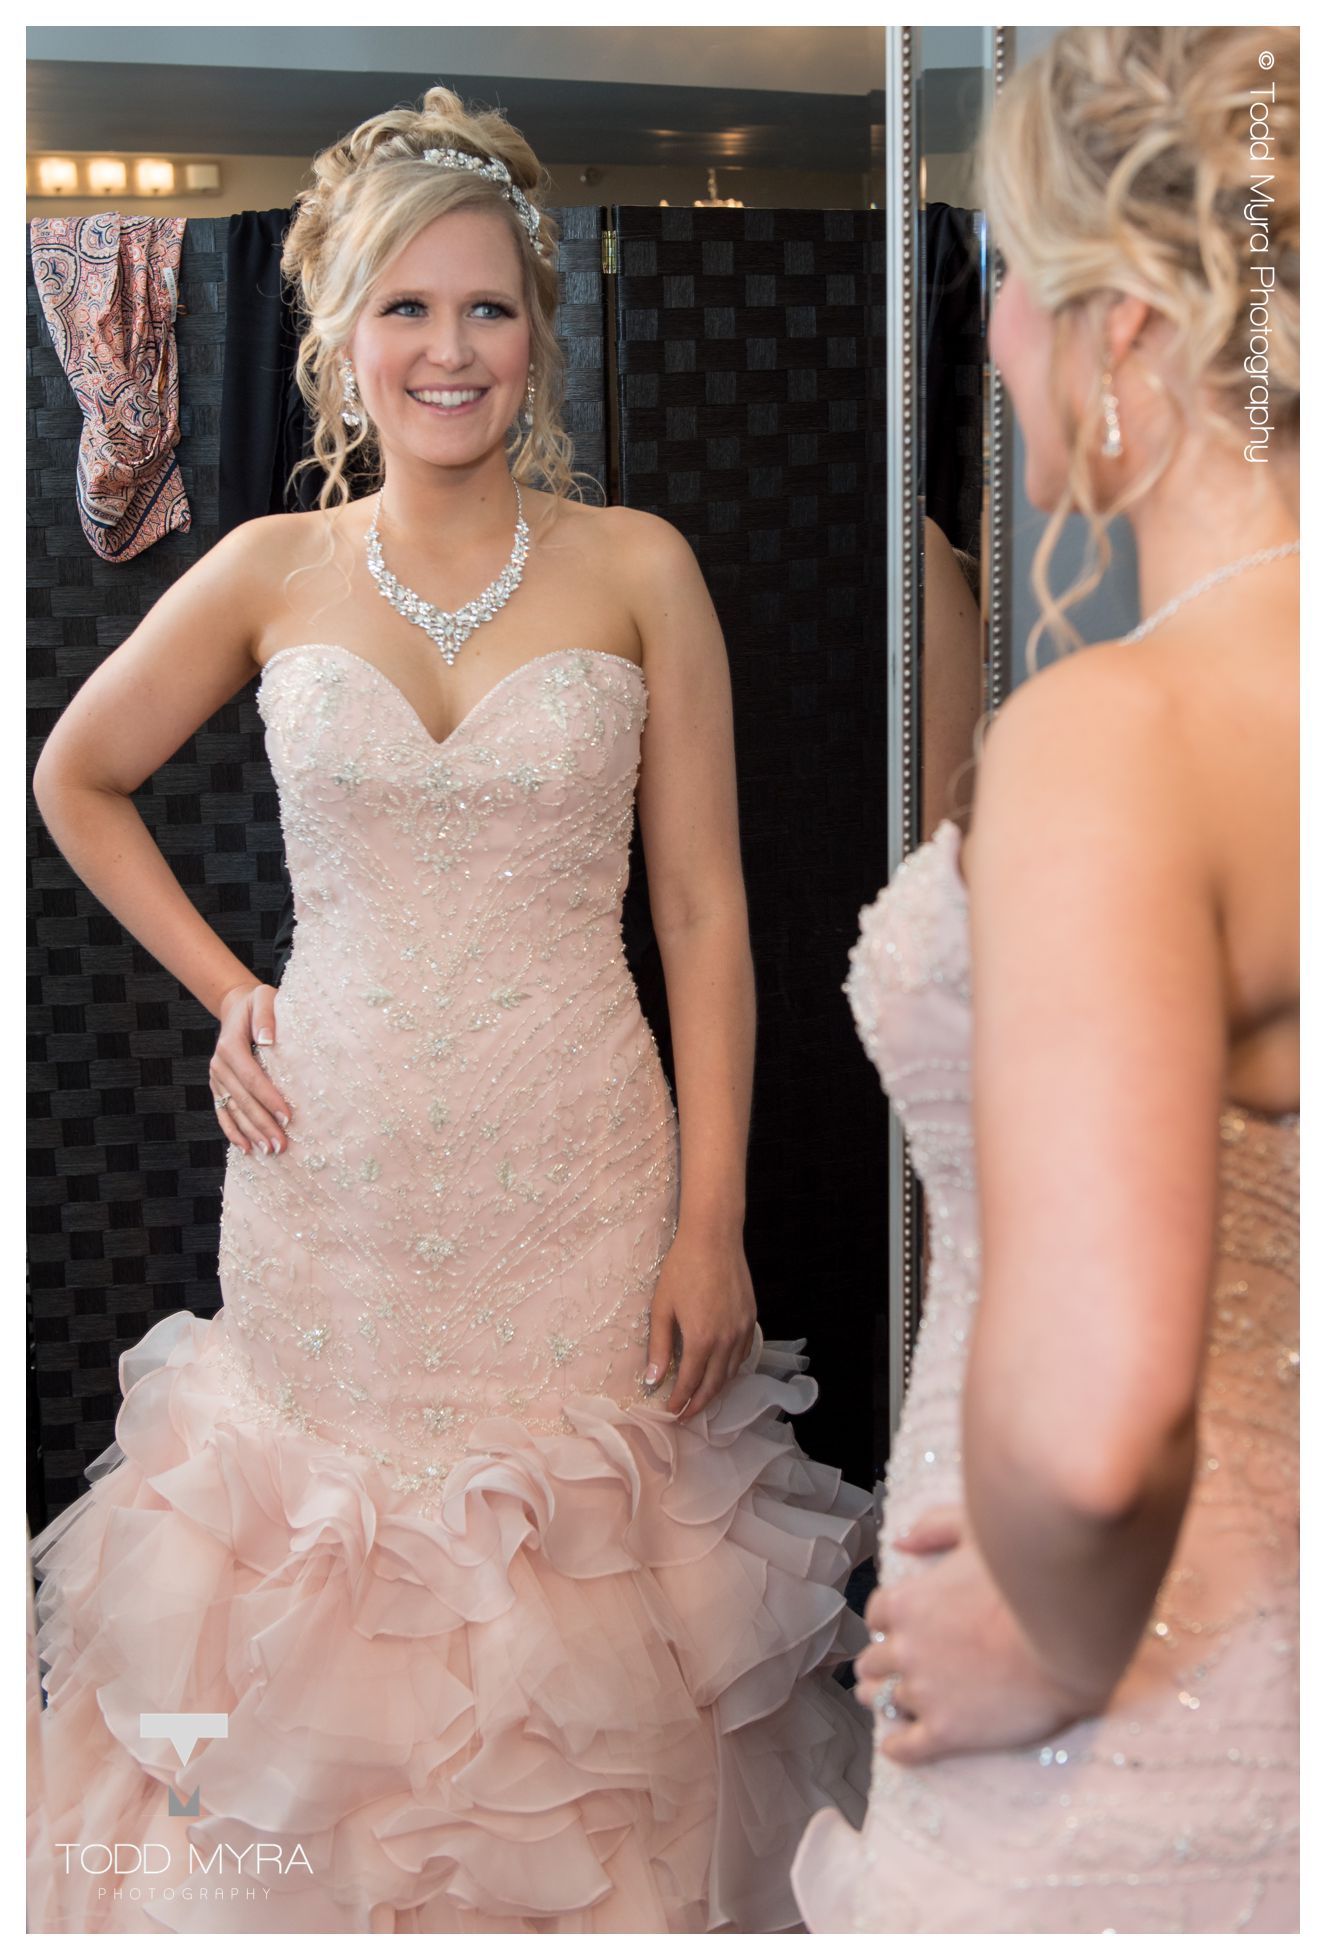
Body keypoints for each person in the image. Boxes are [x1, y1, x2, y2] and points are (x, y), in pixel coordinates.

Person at [27, 87, 871, 1935]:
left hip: (582, 1180)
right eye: (405, 308)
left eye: (487, 307)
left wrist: (711, 1218)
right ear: (340, 336)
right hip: (327, 1193)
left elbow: (703, 911)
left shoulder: (639, 565)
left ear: (539, 332)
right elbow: (72, 778)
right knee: (313, 1599)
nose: (448, 349)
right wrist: (230, 988)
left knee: (592, 1620)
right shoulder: (267, 570)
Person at [792, 25, 1298, 1933]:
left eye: (1007, 282)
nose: (993, 344)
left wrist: (1050, 1656)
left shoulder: (1126, 733)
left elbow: (1093, 1445)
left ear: (1128, 324)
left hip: (1136, 1721)